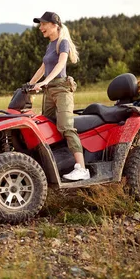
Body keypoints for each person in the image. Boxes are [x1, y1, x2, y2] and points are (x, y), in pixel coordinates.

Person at [29, 12, 89, 181]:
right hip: (49, 91)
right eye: (40, 25)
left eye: (43, 24)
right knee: (45, 125)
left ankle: (82, 168)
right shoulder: (50, 45)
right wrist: (28, 85)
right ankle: (54, 164)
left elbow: (61, 63)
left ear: (54, 24)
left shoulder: (63, 43)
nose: (40, 28)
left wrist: (45, 81)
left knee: (65, 126)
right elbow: (43, 68)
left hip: (62, 89)